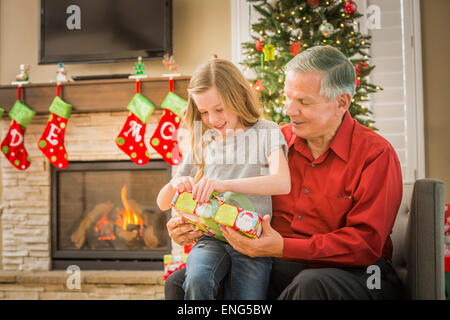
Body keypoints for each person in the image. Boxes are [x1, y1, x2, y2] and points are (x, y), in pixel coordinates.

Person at [164, 45, 405, 300]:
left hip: (359, 274)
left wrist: (282, 247)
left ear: (341, 103)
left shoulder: (376, 155)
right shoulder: (274, 141)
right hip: (282, 262)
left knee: (310, 284)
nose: (290, 110)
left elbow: (365, 244)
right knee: (180, 282)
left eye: (303, 101)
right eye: (288, 97)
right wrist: (193, 223)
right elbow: (231, 199)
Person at [157, 58, 291, 300]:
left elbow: (282, 182)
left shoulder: (267, 131)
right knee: (196, 279)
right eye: (204, 112)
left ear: (239, 96)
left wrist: (223, 185)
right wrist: (175, 184)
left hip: (253, 241)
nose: (212, 119)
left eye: (219, 109)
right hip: (211, 239)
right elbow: (162, 203)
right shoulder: (204, 140)